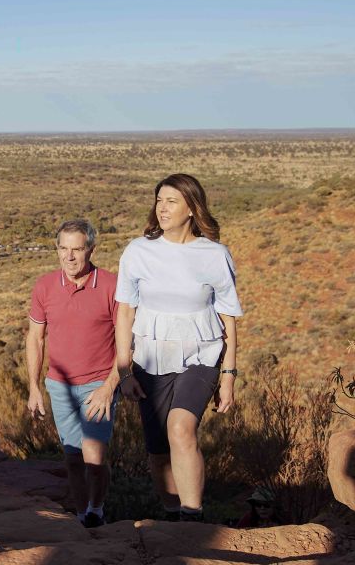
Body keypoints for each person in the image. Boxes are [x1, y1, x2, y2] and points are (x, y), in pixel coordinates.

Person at [114, 173, 243, 522]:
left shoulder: (215, 255)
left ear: (192, 208)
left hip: (200, 356)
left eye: (171, 201)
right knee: (157, 452)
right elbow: (125, 312)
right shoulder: (138, 251)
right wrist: (124, 370)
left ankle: (192, 516)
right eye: (159, 200)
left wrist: (228, 376)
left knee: (181, 429)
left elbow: (228, 317)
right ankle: (171, 516)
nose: (162, 207)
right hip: (149, 359)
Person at [26, 219, 120, 528]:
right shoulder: (45, 286)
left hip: (98, 385)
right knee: (72, 458)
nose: (69, 256)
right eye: (63, 249)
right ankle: (83, 517)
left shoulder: (111, 285)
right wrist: (34, 387)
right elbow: (35, 338)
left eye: (77, 249)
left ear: (91, 249)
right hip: (60, 386)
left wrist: (110, 387)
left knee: (94, 457)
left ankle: (98, 508)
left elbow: (127, 342)